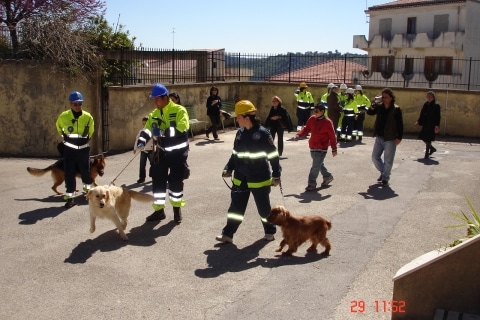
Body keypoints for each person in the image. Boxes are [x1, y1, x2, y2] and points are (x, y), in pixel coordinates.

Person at [216, 100, 281, 243]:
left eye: (238, 117)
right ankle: (228, 234)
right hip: (241, 177)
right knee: (235, 208)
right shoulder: (239, 133)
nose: (236, 120)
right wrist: (229, 167)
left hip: (259, 177)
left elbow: (273, 155)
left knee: (264, 209)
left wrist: (276, 174)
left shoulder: (263, 134)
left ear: (247, 117)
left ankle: (269, 231)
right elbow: (235, 153)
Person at [136, 83, 190, 223]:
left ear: (165, 98)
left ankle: (177, 211)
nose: (155, 102)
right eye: (154, 99)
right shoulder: (154, 114)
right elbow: (147, 129)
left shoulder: (179, 110)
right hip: (161, 153)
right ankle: (159, 211)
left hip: (178, 155)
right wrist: (141, 141)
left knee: (175, 183)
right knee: (158, 182)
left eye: (157, 99)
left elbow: (181, 128)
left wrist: (160, 132)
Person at [55, 91, 95, 208]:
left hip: (83, 150)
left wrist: (85, 140)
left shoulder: (88, 117)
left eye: (79, 104)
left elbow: (91, 131)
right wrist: (65, 138)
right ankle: (70, 198)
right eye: (75, 104)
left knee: (86, 172)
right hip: (69, 150)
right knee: (69, 173)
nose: (77, 106)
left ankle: (88, 192)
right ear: (70, 104)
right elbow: (59, 127)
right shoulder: (64, 116)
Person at [294, 104, 337, 191]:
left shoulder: (328, 122)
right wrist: (298, 135)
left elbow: (332, 136)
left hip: (322, 148)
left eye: (317, 111)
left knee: (315, 166)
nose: (315, 113)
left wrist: (334, 149)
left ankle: (311, 184)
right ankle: (328, 176)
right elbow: (306, 128)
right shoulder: (312, 119)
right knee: (318, 164)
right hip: (313, 146)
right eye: (314, 111)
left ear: (322, 111)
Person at [367, 88, 403, 186]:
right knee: (375, 157)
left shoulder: (396, 109)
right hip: (379, 136)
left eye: (386, 97)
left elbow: (400, 124)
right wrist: (374, 104)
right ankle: (383, 172)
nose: (384, 99)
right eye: (382, 97)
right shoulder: (379, 107)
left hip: (390, 138)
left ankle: (385, 178)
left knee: (388, 160)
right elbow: (369, 112)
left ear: (391, 98)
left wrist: (399, 137)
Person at [414, 91, 441, 159]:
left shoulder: (436, 105)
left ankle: (427, 153)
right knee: (422, 136)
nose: (429, 98)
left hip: (432, 124)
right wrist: (418, 121)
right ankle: (432, 148)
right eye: (428, 97)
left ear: (433, 97)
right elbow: (422, 114)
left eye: (430, 97)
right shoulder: (426, 104)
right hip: (426, 123)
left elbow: (438, 116)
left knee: (428, 138)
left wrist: (437, 125)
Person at [133, 116, 153, 183]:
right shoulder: (141, 131)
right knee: (142, 165)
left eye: (145, 123)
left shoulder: (151, 130)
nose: (144, 125)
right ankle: (142, 178)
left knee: (153, 164)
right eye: (143, 123)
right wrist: (135, 148)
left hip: (151, 150)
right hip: (143, 150)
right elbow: (137, 139)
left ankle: (154, 176)